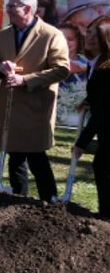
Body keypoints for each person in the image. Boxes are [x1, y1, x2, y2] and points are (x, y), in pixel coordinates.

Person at [0, 0, 70, 202]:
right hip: (11, 107)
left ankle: (50, 201)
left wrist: (26, 80)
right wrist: (1, 68)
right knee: (14, 156)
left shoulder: (52, 35)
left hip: (35, 108)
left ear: (28, 9)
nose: (8, 10)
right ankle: (18, 200)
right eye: (8, 6)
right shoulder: (5, 34)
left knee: (36, 157)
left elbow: (62, 69)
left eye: (12, 6)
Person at [73, 17, 110, 218]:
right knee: (102, 166)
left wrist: (82, 143)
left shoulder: (107, 68)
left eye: (97, 35)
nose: (90, 38)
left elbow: (103, 111)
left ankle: (106, 216)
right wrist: (89, 99)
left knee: (102, 166)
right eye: (88, 33)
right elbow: (100, 95)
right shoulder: (94, 63)